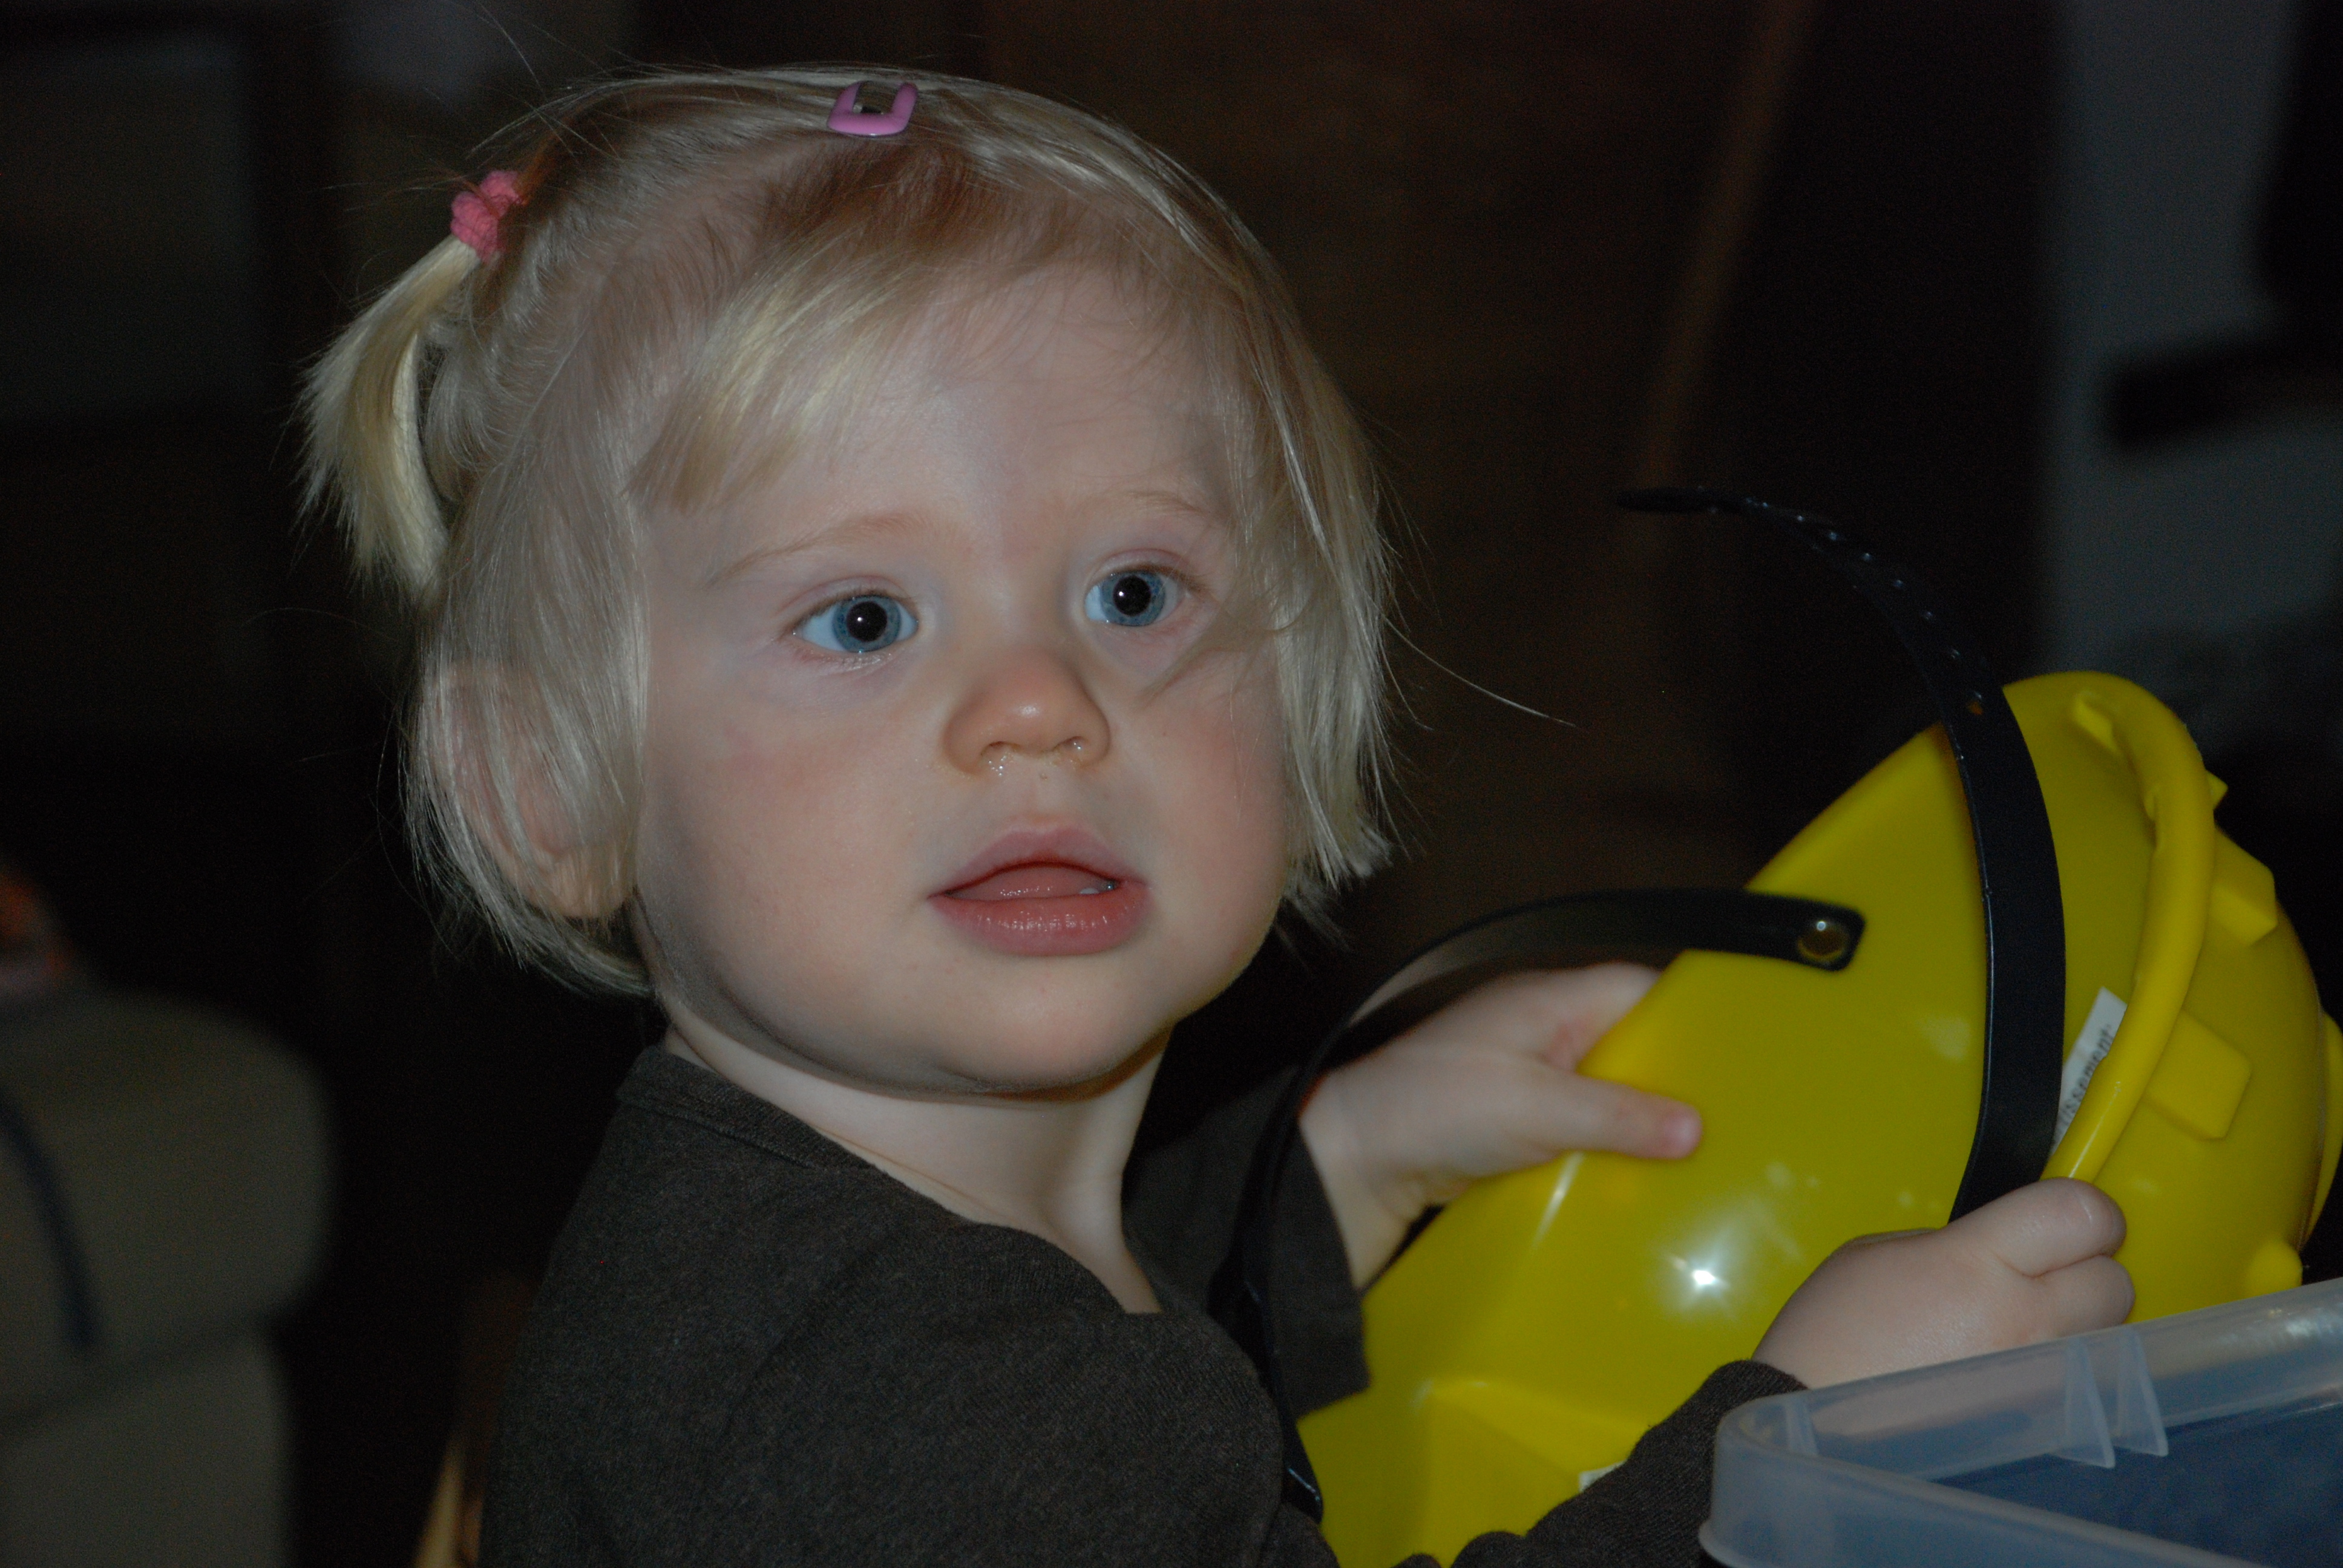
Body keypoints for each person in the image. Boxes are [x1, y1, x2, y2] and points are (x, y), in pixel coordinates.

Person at [302, 68, 2134, 1566]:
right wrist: (1800, 1460)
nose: (1041, 704)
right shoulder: (902, 1419)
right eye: (861, 620)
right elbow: (1048, 1424)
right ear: (548, 788)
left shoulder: (826, 1257)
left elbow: (1066, 1326)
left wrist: (1337, 1166)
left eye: (1132, 594)